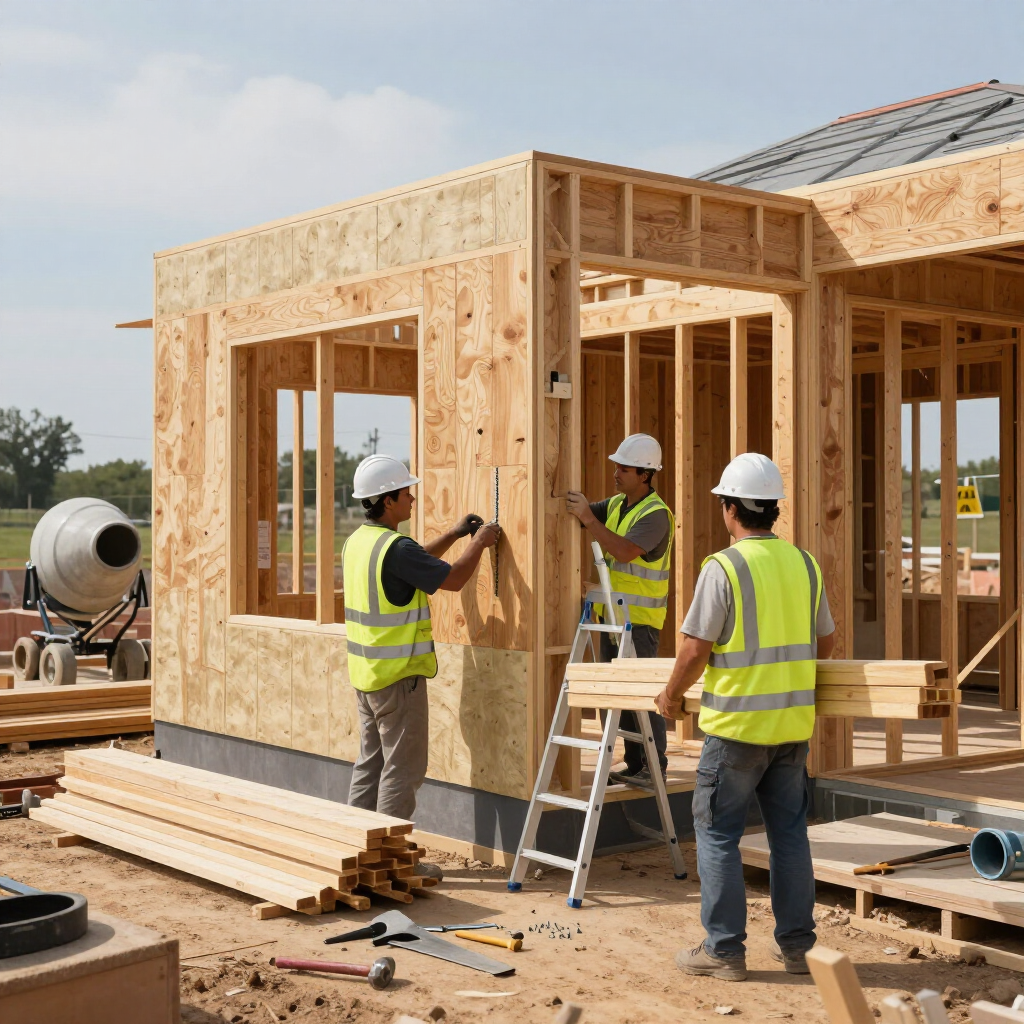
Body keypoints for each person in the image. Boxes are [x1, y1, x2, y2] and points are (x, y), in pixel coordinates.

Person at [653, 453, 836, 982]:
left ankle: (724, 950)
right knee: (789, 836)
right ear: (773, 509)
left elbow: (693, 651)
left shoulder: (723, 567)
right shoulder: (804, 564)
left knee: (716, 835)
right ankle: (799, 949)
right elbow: (825, 641)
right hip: (791, 729)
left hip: (735, 731)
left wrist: (668, 698)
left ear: (730, 509)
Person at [343, 454, 500, 826]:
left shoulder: (361, 542)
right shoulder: (395, 548)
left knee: (371, 764)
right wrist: (479, 542)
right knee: (403, 770)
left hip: (367, 678)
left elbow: (414, 565)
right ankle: (390, 860)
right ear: (387, 500)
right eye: (406, 493)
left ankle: (352, 846)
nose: (412, 499)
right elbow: (454, 579)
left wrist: (455, 535)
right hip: (399, 680)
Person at [566, 433, 674, 783]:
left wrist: (589, 520)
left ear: (645, 475)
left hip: (639, 621)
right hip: (614, 618)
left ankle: (654, 764)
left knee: (643, 696)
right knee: (620, 697)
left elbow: (625, 551)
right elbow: (581, 517)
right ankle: (634, 762)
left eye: (624, 469)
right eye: (616, 467)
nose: (616, 473)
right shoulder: (616, 506)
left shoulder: (657, 515)